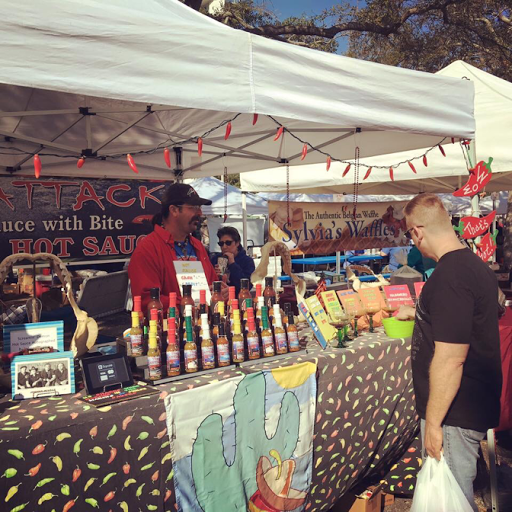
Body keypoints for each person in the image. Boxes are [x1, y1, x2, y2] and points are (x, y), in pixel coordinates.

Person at [397, 193, 502, 512]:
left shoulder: (449, 276)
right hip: (465, 406)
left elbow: (451, 358)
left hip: (454, 413)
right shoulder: (475, 266)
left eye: (409, 235)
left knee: (452, 496)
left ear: (417, 232)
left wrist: (433, 423)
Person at [129, 183, 224, 312]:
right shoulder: (148, 249)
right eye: (194, 207)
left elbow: (212, 285)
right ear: (174, 210)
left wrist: (219, 292)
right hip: (168, 324)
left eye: (200, 207)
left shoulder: (197, 246)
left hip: (202, 322)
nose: (200, 213)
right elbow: (147, 301)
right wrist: (187, 303)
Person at [211, 227, 255, 295]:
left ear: (237, 243)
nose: (224, 247)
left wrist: (232, 264)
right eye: (221, 244)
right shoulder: (215, 259)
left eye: (228, 243)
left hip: (238, 298)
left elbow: (247, 286)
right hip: (219, 296)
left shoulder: (247, 261)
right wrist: (215, 275)